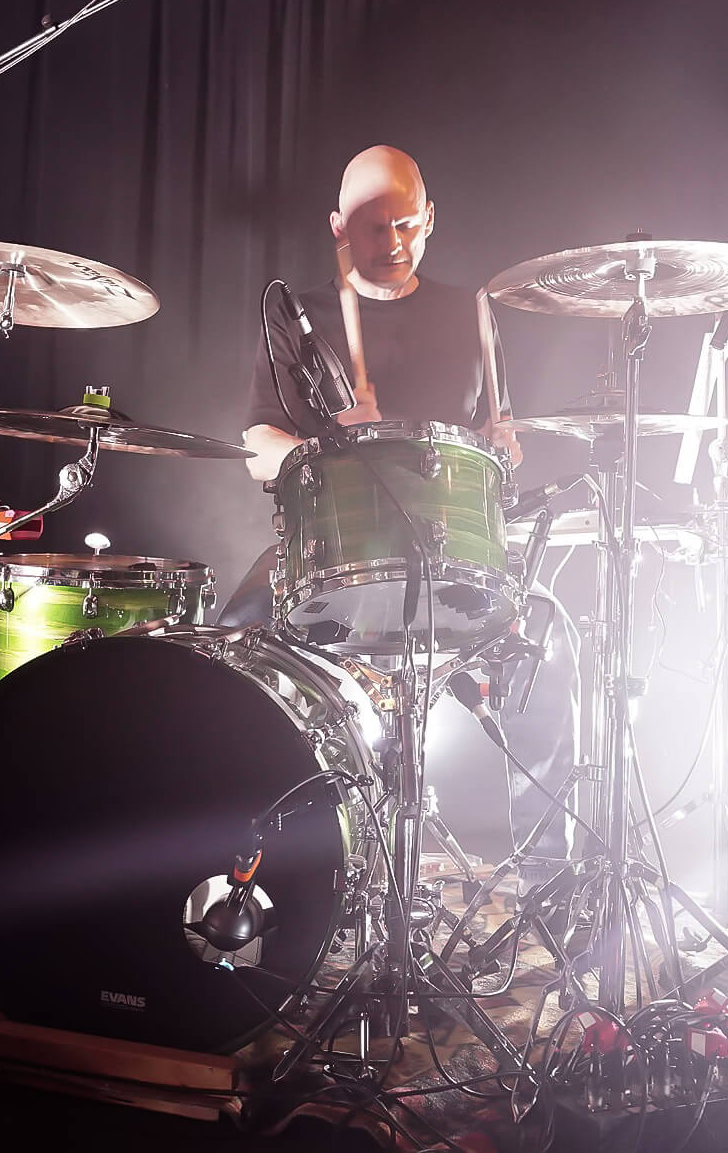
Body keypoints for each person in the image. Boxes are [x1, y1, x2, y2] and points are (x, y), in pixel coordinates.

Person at [224, 145, 578, 876]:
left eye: (407, 223)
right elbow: (257, 444)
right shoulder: (301, 317)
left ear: (431, 218)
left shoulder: (471, 312)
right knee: (232, 652)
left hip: (454, 560)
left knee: (550, 641)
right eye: (373, 225)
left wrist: (504, 448)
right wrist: (322, 447)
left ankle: (549, 876)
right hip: (332, 553)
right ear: (338, 227)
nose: (392, 241)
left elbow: (495, 440)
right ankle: (258, 867)